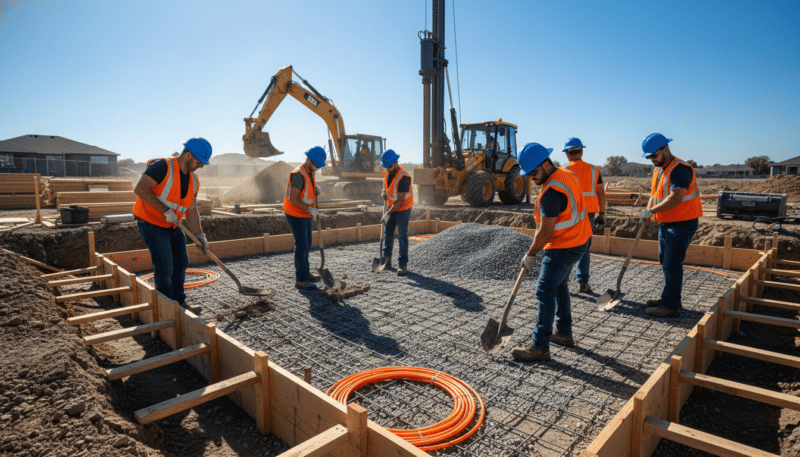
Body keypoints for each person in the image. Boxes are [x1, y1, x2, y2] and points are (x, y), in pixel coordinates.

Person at [511, 143, 592, 362]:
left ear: (546, 164)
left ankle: (540, 347)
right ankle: (564, 333)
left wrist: (530, 254)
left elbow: (545, 232)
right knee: (559, 286)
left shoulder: (551, 193)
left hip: (564, 246)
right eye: (529, 175)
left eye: (534, 173)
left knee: (545, 290)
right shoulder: (565, 174)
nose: (532, 178)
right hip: (579, 240)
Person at [132, 137, 211, 307]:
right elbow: (140, 189)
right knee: (165, 267)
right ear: (188, 155)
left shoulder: (194, 181)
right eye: (199, 162)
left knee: (181, 263)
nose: (201, 166)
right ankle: (166, 307)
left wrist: (199, 234)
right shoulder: (162, 166)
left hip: (173, 225)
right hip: (151, 223)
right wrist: (165, 210)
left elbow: (191, 210)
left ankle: (179, 303)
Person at [640, 133, 702, 317]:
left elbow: (675, 198)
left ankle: (670, 306)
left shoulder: (679, 169)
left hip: (682, 223)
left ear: (666, 150)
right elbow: (655, 194)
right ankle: (671, 298)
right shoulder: (659, 169)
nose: (652, 160)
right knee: (665, 262)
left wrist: (652, 211)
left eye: (654, 155)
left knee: (671, 264)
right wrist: (648, 210)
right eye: (649, 157)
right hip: (667, 222)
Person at [560, 137, 606, 293]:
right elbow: (601, 192)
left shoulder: (563, 170)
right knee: (584, 249)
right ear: (581, 152)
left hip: (569, 215)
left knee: (566, 247)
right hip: (589, 215)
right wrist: (602, 213)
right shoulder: (594, 169)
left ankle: (562, 283)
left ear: (567, 154)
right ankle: (583, 283)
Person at [283, 146, 326, 289]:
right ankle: (300, 279)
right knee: (301, 245)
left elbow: (307, 190)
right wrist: (310, 209)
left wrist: (315, 191)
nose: (318, 168)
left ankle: (306, 272)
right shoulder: (298, 175)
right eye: (317, 165)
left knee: (307, 243)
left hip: (305, 212)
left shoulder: (310, 172)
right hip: (295, 213)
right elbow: (293, 198)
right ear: (309, 161)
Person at [379, 149, 413, 276]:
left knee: (402, 236)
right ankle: (386, 260)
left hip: (403, 208)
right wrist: (384, 191)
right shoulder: (388, 171)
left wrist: (388, 213)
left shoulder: (404, 177)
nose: (388, 169)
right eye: (386, 167)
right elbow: (386, 183)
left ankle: (402, 265)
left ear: (396, 163)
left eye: (390, 167)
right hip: (392, 206)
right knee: (388, 232)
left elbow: (399, 200)